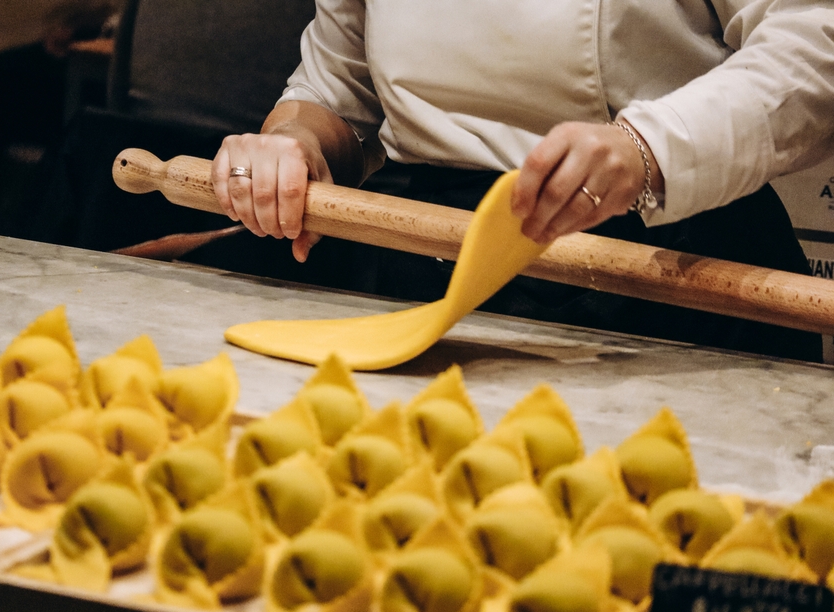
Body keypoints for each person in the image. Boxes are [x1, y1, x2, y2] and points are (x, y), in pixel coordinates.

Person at [209, 0, 834, 363]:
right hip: (416, 266)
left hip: (664, 263)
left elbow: (811, 46)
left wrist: (649, 146)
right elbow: (340, 81)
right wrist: (292, 142)